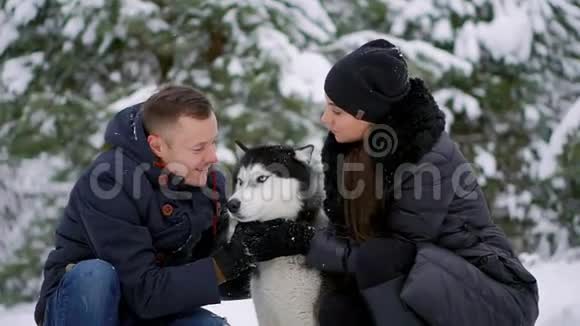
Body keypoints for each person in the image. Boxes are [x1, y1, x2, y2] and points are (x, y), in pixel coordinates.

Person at [234, 39, 540, 326]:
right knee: (337, 308)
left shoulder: (427, 161)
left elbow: (391, 253)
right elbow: (352, 240)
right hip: (426, 281)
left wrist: (302, 238)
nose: (325, 119)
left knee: (379, 260)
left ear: (371, 115)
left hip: (490, 295)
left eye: (337, 110)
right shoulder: (353, 150)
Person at [35, 86, 254, 326]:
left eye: (214, 142)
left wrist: (258, 253)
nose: (213, 157)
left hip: (149, 311)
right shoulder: (109, 180)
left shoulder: (209, 184)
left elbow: (208, 274)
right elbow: (142, 292)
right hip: (85, 307)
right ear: (157, 146)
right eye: (198, 148)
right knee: (95, 276)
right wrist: (226, 263)